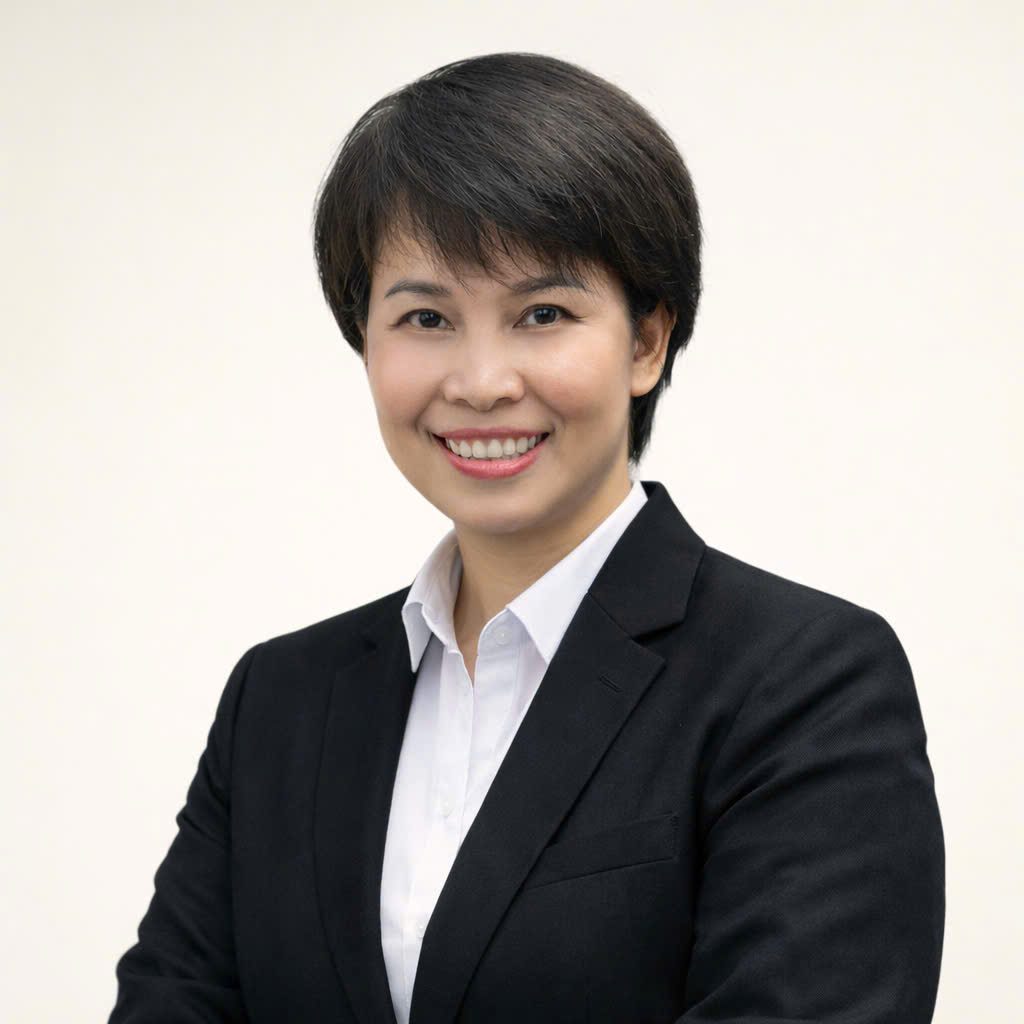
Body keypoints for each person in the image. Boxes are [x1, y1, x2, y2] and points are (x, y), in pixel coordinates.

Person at [108, 52, 945, 1024]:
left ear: (646, 341)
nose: (480, 382)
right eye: (425, 317)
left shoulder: (804, 682)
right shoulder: (280, 701)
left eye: (542, 314)